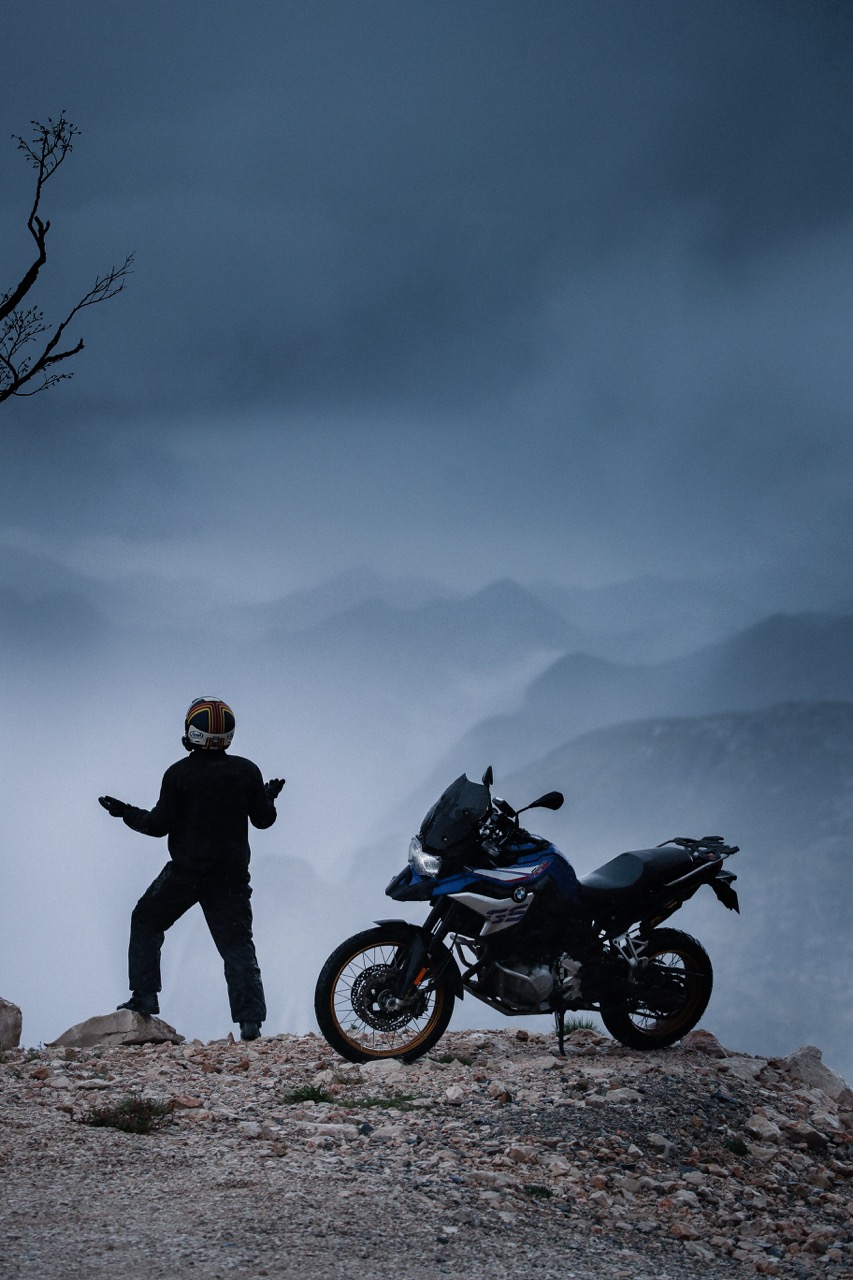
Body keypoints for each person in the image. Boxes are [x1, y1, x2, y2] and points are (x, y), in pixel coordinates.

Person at [99, 696, 284, 1042]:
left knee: (145, 919)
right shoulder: (247, 771)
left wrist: (125, 812)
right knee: (238, 947)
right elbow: (263, 820)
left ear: (191, 732)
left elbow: (157, 825)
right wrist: (268, 796)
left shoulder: (178, 774)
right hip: (230, 878)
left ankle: (145, 996)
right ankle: (250, 1023)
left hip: (185, 873)